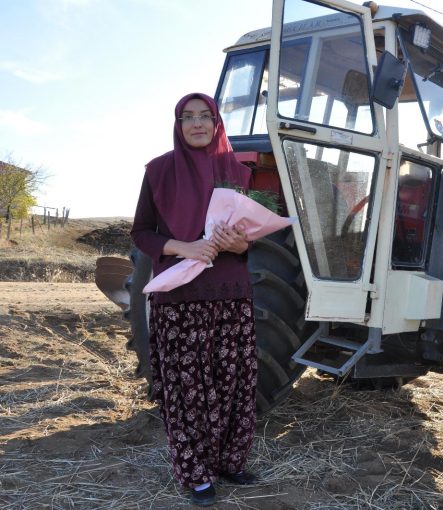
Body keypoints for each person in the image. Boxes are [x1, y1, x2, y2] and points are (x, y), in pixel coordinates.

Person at [131, 92, 258, 506]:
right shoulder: (159, 171)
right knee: (188, 390)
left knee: (232, 384)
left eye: (206, 116)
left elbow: (252, 237)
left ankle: (229, 461)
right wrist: (185, 248)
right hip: (179, 296)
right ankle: (196, 473)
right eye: (189, 117)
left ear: (217, 122)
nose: (198, 123)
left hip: (231, 295)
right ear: (178, 123)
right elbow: (142, 232)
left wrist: (239, 245)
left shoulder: (239, 173)